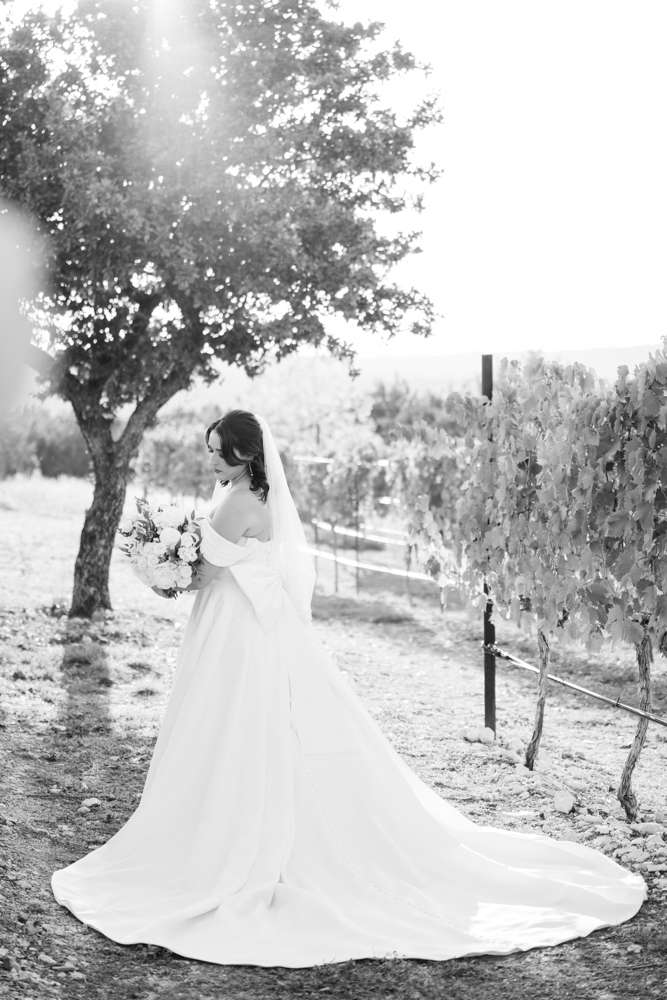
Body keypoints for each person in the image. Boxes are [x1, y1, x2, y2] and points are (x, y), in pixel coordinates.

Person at [51, 410, 645, 968]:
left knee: (232, 716)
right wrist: (174, 552)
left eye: (218, 452)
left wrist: (158, 570)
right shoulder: (256, 494)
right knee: (257, 718)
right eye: (208, 450)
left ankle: (231, 828)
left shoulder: (235, 502)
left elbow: (203, 573)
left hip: (235, 626)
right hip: (251, 622)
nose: (210, 460)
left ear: (245, 454)